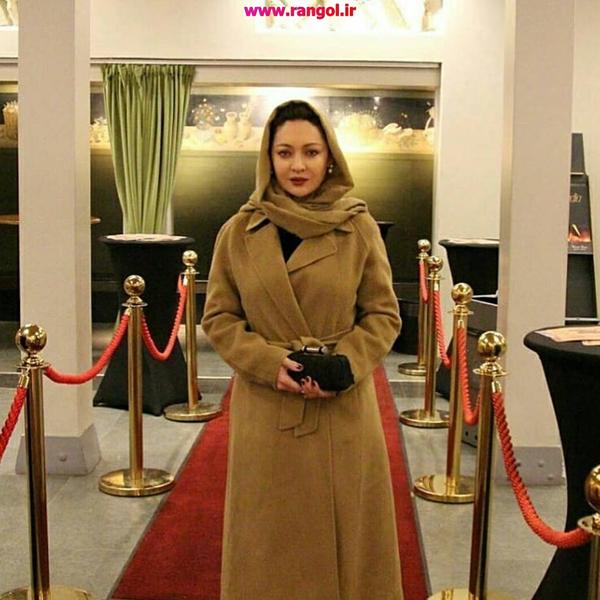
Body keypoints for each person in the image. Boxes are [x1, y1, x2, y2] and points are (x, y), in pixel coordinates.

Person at [202, 99, 403, 599]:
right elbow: (219, 318)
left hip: (341, 411)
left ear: (329, 156)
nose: (298, 165)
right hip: (267, 410)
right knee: (269, 545)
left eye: (311, 152)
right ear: (268, 157)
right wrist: (270, 363)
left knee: (347, 545)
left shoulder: (357, 227)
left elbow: (383, 314)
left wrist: (345, 364)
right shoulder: (238, 231)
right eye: (285, 152)